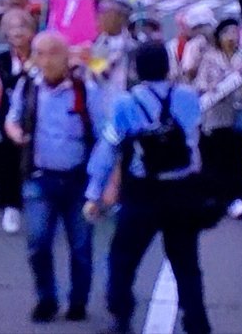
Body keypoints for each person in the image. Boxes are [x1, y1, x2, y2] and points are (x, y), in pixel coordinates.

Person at [85, 42, 211, 334]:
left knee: (123, 258)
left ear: (135, 69)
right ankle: (196, 322)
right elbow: (195, 137)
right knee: (186, 263)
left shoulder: (125, 103)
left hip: (142, 192)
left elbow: (109, 148)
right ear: (168, 66)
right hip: (182, 188)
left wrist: (94, 192)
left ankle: (121, 316)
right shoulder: (187, 97)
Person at [5, 32, 108, 324]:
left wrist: (103, 182)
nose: (46, 60)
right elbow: (12, 118)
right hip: (39, 179)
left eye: (53, 53)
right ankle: (46, 299)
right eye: (40, 54)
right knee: (38, 242)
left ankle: (78, 301)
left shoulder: (84, 89)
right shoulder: (28, 87)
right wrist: (15, 133)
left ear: (66, 57)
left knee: (80, 247)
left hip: (78, 181)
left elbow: (103, 135)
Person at [193, 17, 242, 221]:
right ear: (218, 37)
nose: (231, 38)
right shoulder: (209, 58)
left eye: (234, 33)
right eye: (226, 34)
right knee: (213, 157)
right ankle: (214, 197)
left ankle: (235, 198)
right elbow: (200, 84)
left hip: (238, 114)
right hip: (214, 115)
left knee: (236, 157)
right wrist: (212, 87)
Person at [0, 7, 34, 234]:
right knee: (5, 158)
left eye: (22, 27)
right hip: (7, 113)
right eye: (12, 29)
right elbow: (7, 82)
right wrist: (24, 72)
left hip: (34, 112)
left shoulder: (40, 55)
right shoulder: (3, 58)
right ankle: (11, 205)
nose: (18, 33)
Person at [88, 0, 134, 95]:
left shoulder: (133, 44)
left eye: (107, 15)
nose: (101, 19)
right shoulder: (96, 45)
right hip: (102, 98)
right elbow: (95, 75)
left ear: (121, 18)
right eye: (100, 14)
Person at [170, 4, 216, 83]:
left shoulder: (220, 41)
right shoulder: (192, 46)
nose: (203, 30)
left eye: (205, 26)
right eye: (199, 27)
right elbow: (187, 71)